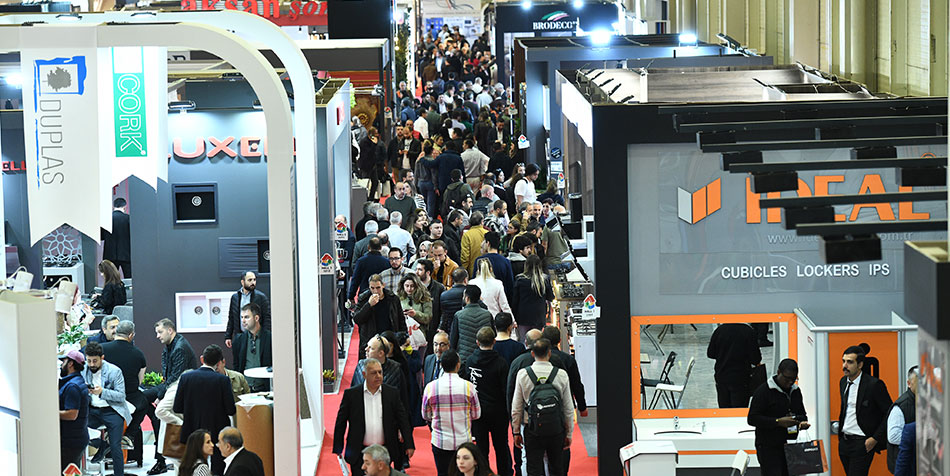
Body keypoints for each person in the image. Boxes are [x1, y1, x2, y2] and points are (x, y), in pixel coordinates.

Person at [334, 358, 415, 476]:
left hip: (384, 451)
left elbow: (403, 419)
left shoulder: (392, 393)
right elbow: (341, 422)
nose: (378, 376)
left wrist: (409, 444)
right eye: (373, 373)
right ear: (364, 374)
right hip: (358, 451)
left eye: (380, 372)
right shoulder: (351, 395)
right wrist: (338, 447)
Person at [511, 338, 574, 476]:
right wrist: (569, 433)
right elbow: (568, 408)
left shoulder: (523, 374)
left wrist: (516, 432)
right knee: (557, 468)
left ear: (532, 353)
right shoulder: (561, 374)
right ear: (549, 353)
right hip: (556, 429)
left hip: (532, 428)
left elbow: (516, 407)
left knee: (534, 468)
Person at [174, 345, 237, 475]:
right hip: (217, 431)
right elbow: (231, 410)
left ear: (202, 359)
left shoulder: (186, 378)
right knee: (218, 469)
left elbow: (177, 407)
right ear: (219, 363)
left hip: (192, 431)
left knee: (192, 467)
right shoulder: (223, 380)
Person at [147, 318, 198, 475]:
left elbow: (175, 375)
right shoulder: (171, 346)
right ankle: (170, 463)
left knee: (160, 412)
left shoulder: (179, 348)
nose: (158, 336)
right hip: (176, 387)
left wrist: (160, 395)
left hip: (181, 387)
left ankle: (183, 428)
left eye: (160, 332)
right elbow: (169, 375)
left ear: (170, 330)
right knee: (163, 420)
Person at [422, 349, 482, 476]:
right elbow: (476, 414)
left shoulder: (431, 387)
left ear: (441, 365)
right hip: (463, 441)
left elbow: (425, 415)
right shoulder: (469, 387)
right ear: (458, 365)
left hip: (440, 441)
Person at [747, 359, 810, 476]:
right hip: (768, 446)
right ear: (778, 372)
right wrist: (777, 422)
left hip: (791, 445)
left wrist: (800, 422)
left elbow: (802, 414)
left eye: (793, 379)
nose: (790, 382)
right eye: (787, 379)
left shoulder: (795, 391)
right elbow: (752, 418)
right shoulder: (764, 391)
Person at [837, 345, 893, 476]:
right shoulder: (843, 382)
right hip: (844, 442)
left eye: (850, 362)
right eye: (843, 361)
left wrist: (874, 438)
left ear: (860, 365)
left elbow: (890, 413)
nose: (845, 366)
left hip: (862, 442)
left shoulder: (874, 385)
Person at [463, 327, 512, 476]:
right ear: (494, 342)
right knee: (501, 446)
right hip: (498, 412)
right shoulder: (501, 363)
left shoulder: (470, 361)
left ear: (477, 342)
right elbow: (506, 390)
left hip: (478, 412)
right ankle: (505, 473)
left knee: (481, 448)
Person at [101, 321, 149, 467]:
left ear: (116, 332)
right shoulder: (138, 354)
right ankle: (129, 435)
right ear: (131, 335)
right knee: (144, 403)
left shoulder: (102, 349)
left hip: (106, 397)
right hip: (129, 397)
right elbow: (140, 381)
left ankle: (109, 431)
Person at [83, 341, 132, 476]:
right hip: (92, 410)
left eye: (95, 361)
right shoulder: (84, 369)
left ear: (102, 358)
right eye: (89, 361)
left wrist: (102, 392)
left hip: (113, 410)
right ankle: (102, 444)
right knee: (75, 428)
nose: (91, 364)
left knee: (116, 446)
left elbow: (121, 396)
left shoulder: (114, 371)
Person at [707, 323, 762, 408]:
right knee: (739, 410)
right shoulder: (748, 331)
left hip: (722, 376)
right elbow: (756, 358)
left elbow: (710, 353)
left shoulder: (719, 330)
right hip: (741, 378)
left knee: (724, 409)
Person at [353, 275, 407, 359]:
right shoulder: (363, 298)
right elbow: (357, 319)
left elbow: (401, 320)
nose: (375, 291)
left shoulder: (393, 298)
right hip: (370, 338)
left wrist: (404, 336)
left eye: (378, 287)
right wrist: (369, 305)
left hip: (389, 338)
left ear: (383, 285)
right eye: (372, 288)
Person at [59, 350, 90, 472]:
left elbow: (72, 414)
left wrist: (51, 413)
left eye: (64, 362)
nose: (61, 365)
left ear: (70, 364)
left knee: (67, 472)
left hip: (71, 441)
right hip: (76, 438)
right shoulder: (77, 382)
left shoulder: (72, 386)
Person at [511, 255, 553, 342]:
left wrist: (514, 317)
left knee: (523, 340)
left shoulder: (520, 280)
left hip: (523, 316)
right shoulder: (544, 279)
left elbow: (515, 301)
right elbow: (550, 297)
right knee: (538, 341)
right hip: (539, 316)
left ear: (526, 265)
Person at [225, 271, 271, 350]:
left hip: (256, 336)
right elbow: (231, 318)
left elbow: (267, 318)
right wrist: (228, 336)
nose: (253, 282)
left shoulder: (261, 297)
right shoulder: (235, 297)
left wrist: (265, 337)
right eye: (250, 280)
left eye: (254, 280)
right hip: (240, 335)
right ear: (242, 282)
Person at [232, 303, 272, 392]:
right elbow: (236, 366)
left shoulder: (270, 338)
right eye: (242, 317)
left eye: (246, 317)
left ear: (256, 318)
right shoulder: (239, 340)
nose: (243, 321)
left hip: (265, 389)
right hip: (246, 389)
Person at [887, 366, 918, 473]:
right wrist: (919, 438)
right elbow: (893, 436)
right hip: (906, 463)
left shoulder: (929, 401)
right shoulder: (901, 406)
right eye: (918, 382)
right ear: (909, 383)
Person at [451, 285, 494, 363]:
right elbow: (493, 334)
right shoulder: (488, 314)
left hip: (464, 358)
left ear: (467, 298)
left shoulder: (458, 315)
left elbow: (453, 340)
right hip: (485, 358)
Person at [415, 259, 445, 349]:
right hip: (417, 329)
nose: (416, 272)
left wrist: (440, 326)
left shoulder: (439, 288)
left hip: (433, 328)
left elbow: (443, 310)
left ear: (428, 272)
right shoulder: (413, 287)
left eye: (420, 270)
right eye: (416, 269)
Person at [102, 197, 132, 278]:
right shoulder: (128, 218)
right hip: (126, 254)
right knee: (129, 279)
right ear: (125, 207)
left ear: (113, 206)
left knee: (111, 279)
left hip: (110, 254)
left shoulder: (106, 219)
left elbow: (102, 236)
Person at [398, 273, 433, 339]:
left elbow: (428, 317)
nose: (409, 289)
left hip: (419, 334)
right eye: (407, 286)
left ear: (417, 286)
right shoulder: (398, 297)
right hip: (403, 334)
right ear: (403, 285)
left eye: (412, 286)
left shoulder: (425, 297)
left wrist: (415, 314)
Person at [439, 268, 469, 333]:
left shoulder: (444, 295)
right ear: (465, 280)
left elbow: (444, 315)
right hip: (466, 328)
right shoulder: (469, 293)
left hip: (450, 328)